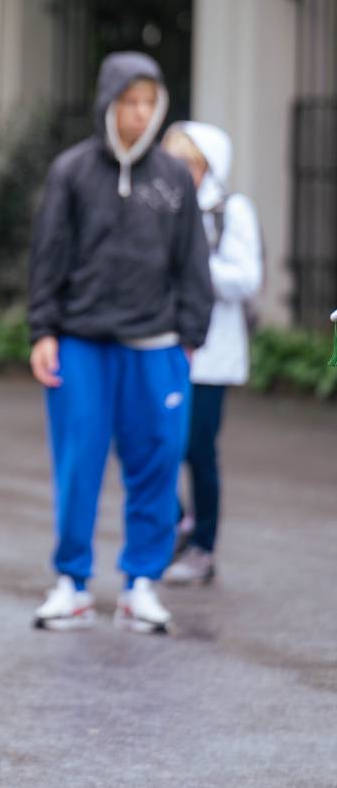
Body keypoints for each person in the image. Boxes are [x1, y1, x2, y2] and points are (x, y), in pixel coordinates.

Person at [27, 52, 213, 635]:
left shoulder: (174, 177)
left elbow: (192, 264)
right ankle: (72, 584)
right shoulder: (73, 171)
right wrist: (43, 331)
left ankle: (140, 586)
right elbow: (48, 257)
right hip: (81, 343)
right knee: (78, 464)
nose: (139, 113)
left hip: (157, 347)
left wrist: (190, 337)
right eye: (129, 101)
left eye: (149, 103)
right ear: (109, 102)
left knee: (157, 464)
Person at [161, 123, 263, 585]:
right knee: (148, 443)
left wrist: (193, 261)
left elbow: (246, 278)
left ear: (207, 167)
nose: (176, 171)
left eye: (187, 163)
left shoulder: (231, 211)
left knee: (198, 450)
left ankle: (203, 547)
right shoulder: (161, 203)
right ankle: (180, 521)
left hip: (213, 354)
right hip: (162, 345)